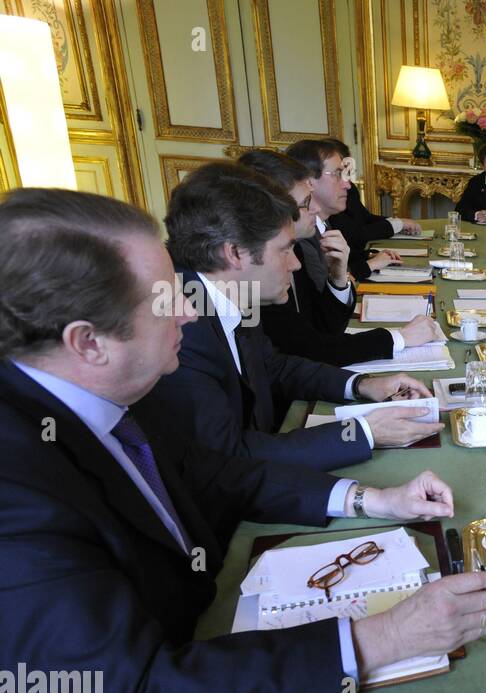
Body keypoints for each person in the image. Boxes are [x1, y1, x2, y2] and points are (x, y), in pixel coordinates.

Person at [0, 188, 486, 693]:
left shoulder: (107, 387)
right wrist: (388, 634)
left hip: (203, 642)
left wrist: (372, 500)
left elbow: (220, 473)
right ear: (86, 343)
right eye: (163, 296)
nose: (187, 304)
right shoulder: (16, 492)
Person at [135, 161, 441, 472]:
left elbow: (273, 365)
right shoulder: (179, 326)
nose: (295, 264)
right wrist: (361, 432)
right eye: (284, 250)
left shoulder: (224, 290)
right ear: (235, 253)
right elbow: (228, 457)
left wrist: (362, 384)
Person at [237, 148, 439, 366]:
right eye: (306, 202)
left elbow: (324, 329)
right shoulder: (255, 273)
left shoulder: (297, 251)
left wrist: (338, 278)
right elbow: (311, 349)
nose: (315, 208)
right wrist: (398, 338)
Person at [285, 138, 402, 287]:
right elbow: (323, 303)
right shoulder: (302, 237)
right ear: (308, 181)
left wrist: (369, 257)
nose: (347, 184)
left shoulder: (325, 222)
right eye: (337, 174)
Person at [317, 137, 421, 280]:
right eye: (338, 173)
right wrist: (371, 263)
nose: (346, 182)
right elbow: (356, 237)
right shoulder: (326, 209)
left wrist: (370, 254)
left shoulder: (348, 189)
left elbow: (364, 218)